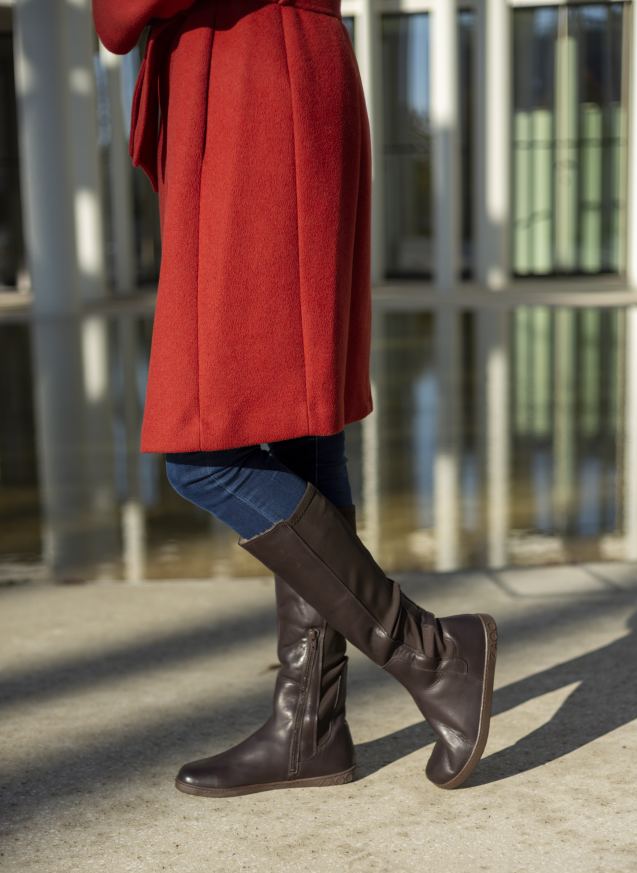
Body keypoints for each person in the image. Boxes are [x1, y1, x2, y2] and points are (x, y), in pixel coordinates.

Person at [92, 0, 498, 798]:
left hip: (249, 89)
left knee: (204, 454)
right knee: (297, 422)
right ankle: (307, 727)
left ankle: (432, 653)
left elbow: (117, 14)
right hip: (290, 71)